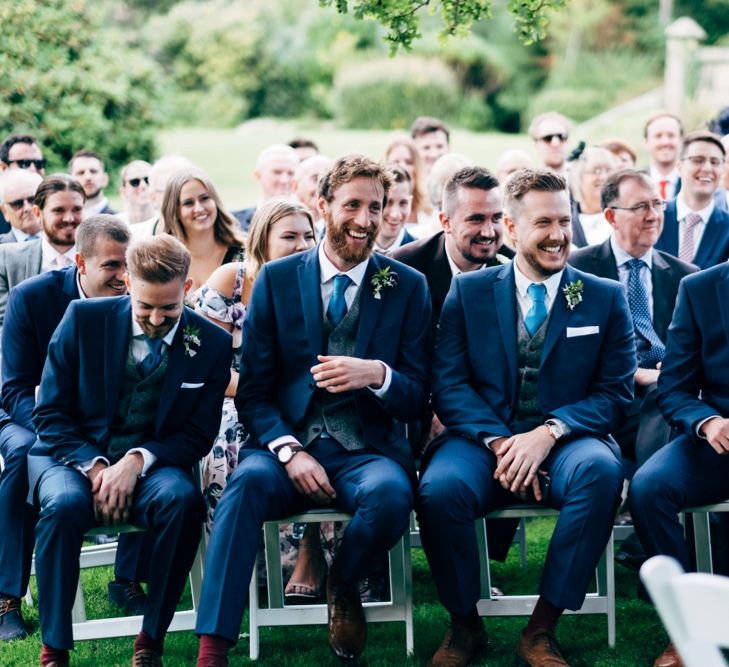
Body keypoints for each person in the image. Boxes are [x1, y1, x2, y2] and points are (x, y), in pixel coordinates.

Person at [195, 154, 431, 666]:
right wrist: (288, 450)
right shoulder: (278, 280)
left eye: (376, 207)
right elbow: (254, 391)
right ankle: (212, 647)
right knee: (244, 488)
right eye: (352, 205)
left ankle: (342, 582)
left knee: (392, 495)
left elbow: (417, 396)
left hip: (365, 448)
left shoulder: (408, 286)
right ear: (323, 206)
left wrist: (379, 375)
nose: (365, 220)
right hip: (288, 443)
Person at [417, 168, 634, 667]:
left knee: (602, 474)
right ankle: (465, 625)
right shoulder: (468, 293)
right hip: (481, 443)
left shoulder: (603, 295)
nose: (559, 235)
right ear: (512, 230)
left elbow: (615, 393)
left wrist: (548, 433)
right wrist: (501, 443)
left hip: (570, 439)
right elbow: (448, 385)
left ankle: (541, 628)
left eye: (565, 221)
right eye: (544, 223)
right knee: (438, 489)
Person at [28, 234, 232, 667]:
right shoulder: (83, 319)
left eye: (169, 308)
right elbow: (49, 413)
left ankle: (150, 640)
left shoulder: (210, 344)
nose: (157, 318)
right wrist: (98, 466)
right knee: (62, 506)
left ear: (188, 289)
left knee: (183, 501)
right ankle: (54, 650)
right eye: (146, 307)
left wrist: (136, 462)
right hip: (73, 456)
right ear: (127, 282)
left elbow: (198, 435)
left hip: (154, 463)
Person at [0, 215, 135, 641]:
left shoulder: (138, 299)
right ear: (81, 262)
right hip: (28, 417)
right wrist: (54, 430)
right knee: (23, 456)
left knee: (141, 446)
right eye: (112, 266)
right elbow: (13, 387)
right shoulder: (32, 298)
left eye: (128, 264)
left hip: (102, 423)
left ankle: (128, 579)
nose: (124, 276)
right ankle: (7, 597)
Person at [628, 240, 729, 667]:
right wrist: (708, 423)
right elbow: (675, 387)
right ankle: (686, 630)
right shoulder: (700, 288)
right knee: (650, 488)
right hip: (719, 439)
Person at [195, 197, 317, 531]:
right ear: (263, 240)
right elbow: (206, 367)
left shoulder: (315, 286)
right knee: (233, 434)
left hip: (294, 397)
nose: (301, 245)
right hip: (231, 396)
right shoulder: (232, 280)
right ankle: (240, 554)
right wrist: (258, 392)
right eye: (289, 237)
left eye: (308, 236)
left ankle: (305, 558)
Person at [570, 169, 697, 472]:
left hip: (668, 392)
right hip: (609, 397)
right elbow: (572, 347)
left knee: (673, 410)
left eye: (658, 204)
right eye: (641, 207)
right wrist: (634, 373)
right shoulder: (578, 271)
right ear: (611, 217)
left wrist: (673, 374)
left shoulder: (687, 275)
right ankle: (658, 497)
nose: (653, 215)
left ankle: (654, 497)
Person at [392, 166, 513, 332]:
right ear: (445, 222)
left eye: (496, 218)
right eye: (476, 219)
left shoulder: (514, 268)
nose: (488, 232)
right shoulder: (405, 265)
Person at [0, 174, 84, 327]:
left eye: (77, 209)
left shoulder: (100, 259)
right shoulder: (7, 259)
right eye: (58, 210)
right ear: (38, 213)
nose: (69, 218)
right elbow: (2, 325)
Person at [160, 168, 245, 297]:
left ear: (215, 201)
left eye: (205, 198)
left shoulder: (245, 253)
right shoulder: (163, 261)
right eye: (188, 203)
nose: (199, 208)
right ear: (174, 211)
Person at [654, 130, 729, 269]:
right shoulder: (654, 216)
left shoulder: (727, 226)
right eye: (698, 160)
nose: (707, 168)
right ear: (679, 166)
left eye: (715, 162)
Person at [233, 144, 299, 232]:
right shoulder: (234, 223)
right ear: (258, 176)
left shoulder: (312, 220)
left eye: (291, 173)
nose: (284, 180)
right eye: (277, 172)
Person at [568, 146, 617, 246]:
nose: (604, 177)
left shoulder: (624, 215)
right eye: (596, 171)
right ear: (579, 176)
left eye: (609, 170)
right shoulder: (567, 221)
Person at [382, 134, 433, 225]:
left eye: (409, 162)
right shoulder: (379, 202)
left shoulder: (429, 204)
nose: (403, 166)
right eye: (396, 162)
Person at [373, 165, 416, 253]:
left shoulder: (422, 253)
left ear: (410, 203)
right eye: (388, 202)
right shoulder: (356, 248)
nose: (395, 215)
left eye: (403, 203)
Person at [644, 111, 683, 200]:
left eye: (671, 135)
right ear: (646, 142)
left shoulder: (691, 181)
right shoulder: (636, 182)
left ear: (681, 140)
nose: (665, 142)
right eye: (658, 136)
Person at [293, 155, 332, 239]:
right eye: (315, 179)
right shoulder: (283, 224)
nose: (323, 186)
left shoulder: (337, 226)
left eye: (328, 180)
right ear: (295, 186)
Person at [69, 149, 115, 217]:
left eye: (93, 171)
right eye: (81, 173)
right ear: (70, 180)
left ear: (105, 179)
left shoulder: (120, 220)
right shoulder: (66, 222)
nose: (88, 177)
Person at [0, 169, 42, 243]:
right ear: (5, 211)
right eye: (17, 204)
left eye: (33, 200)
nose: (28, 208)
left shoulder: (66, 241)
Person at [528, 112, 572, 176]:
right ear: (536, 145)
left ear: (568, 141)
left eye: (561, 137)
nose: (556, 143)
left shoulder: (583, 176)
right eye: (548, 138)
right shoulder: (529, 181)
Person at [117, 160, 155, 226]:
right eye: (135, 182)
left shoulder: (165, 223)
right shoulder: (115, 225)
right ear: (123, 192)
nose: (143, 185)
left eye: (148, 180)